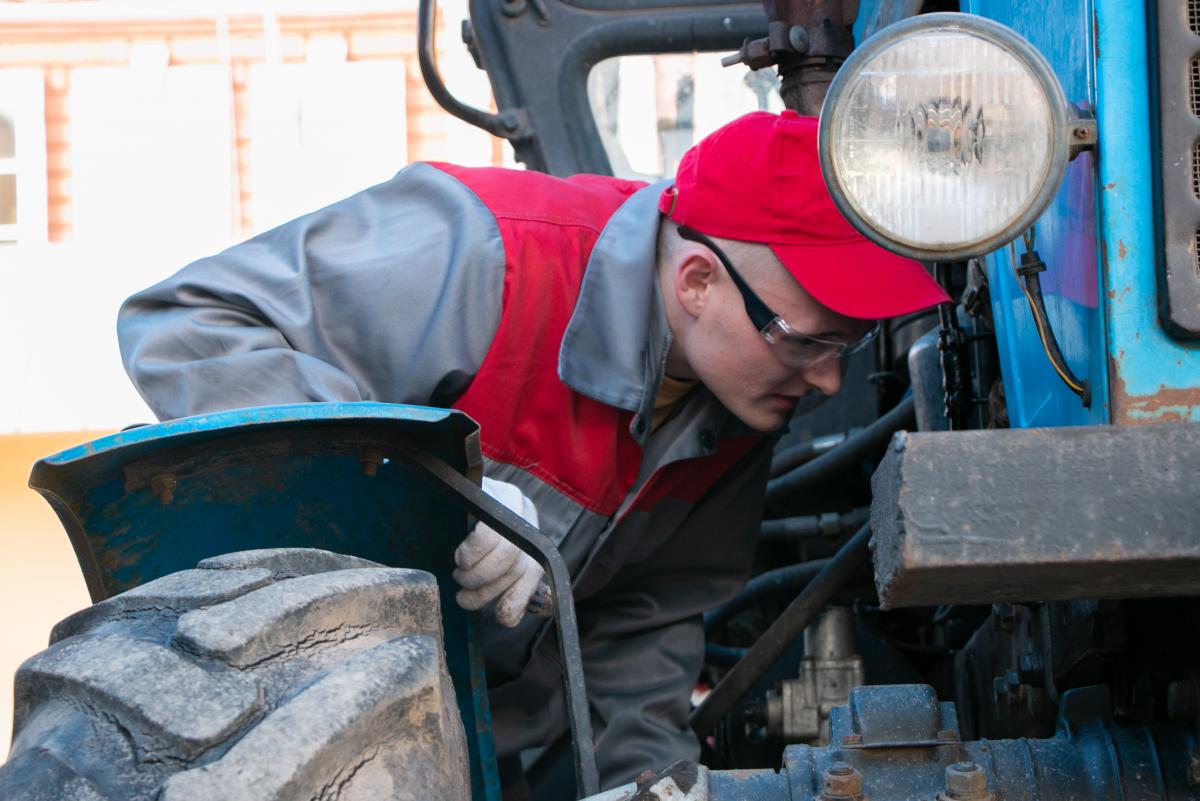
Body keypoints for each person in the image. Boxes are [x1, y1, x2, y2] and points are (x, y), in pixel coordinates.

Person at [117, 110, 949, 791]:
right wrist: (436, 485)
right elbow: (186, 327)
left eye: (848, 345)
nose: (831, 381)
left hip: (471, 748)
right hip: (283, 715)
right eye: (809, 341)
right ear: (698, 282)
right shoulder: (483, 253)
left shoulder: (735, 405)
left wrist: (656, 782)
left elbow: (643, 624)